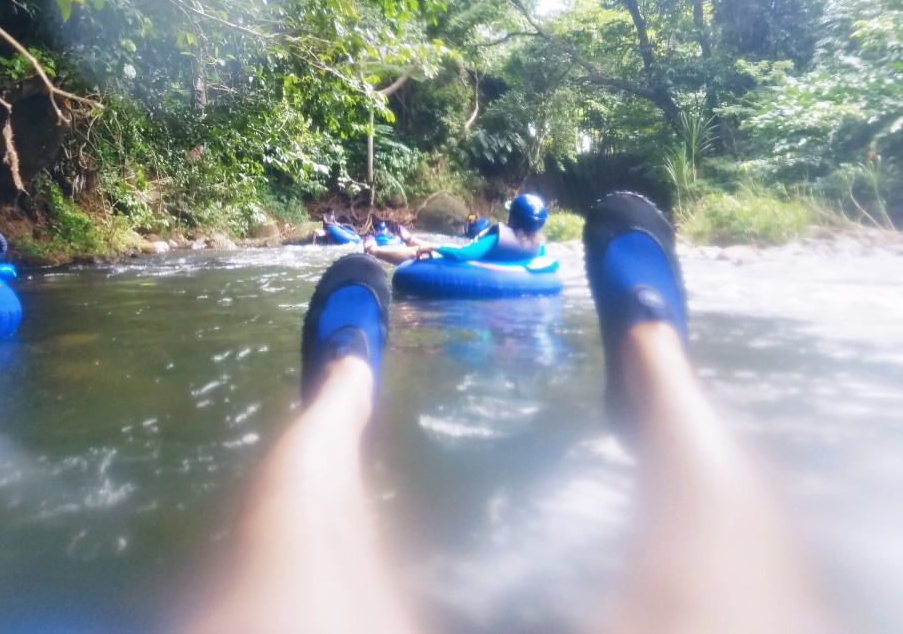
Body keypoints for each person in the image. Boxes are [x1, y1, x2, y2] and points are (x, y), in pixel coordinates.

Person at [187, 192, 824, 634]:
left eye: (536, 226)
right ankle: (651, 350)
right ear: (531, 223)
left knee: (330, 420)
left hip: (505, 303)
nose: (536, 232)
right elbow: (463, 259)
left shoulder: (522, 243)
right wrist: (428, 258)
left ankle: (345, 388)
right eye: (535, 225)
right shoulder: (495, 236)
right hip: (473, 289)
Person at [364, 192, 549, 266]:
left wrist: (434, 248)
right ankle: (413, 240)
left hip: (473, 265)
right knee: (428, 247)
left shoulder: (496, 239)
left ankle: (373, 250)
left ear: (513, 217)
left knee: (419, 254)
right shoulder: (538, 246)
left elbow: (462, 254)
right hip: (495, 266)